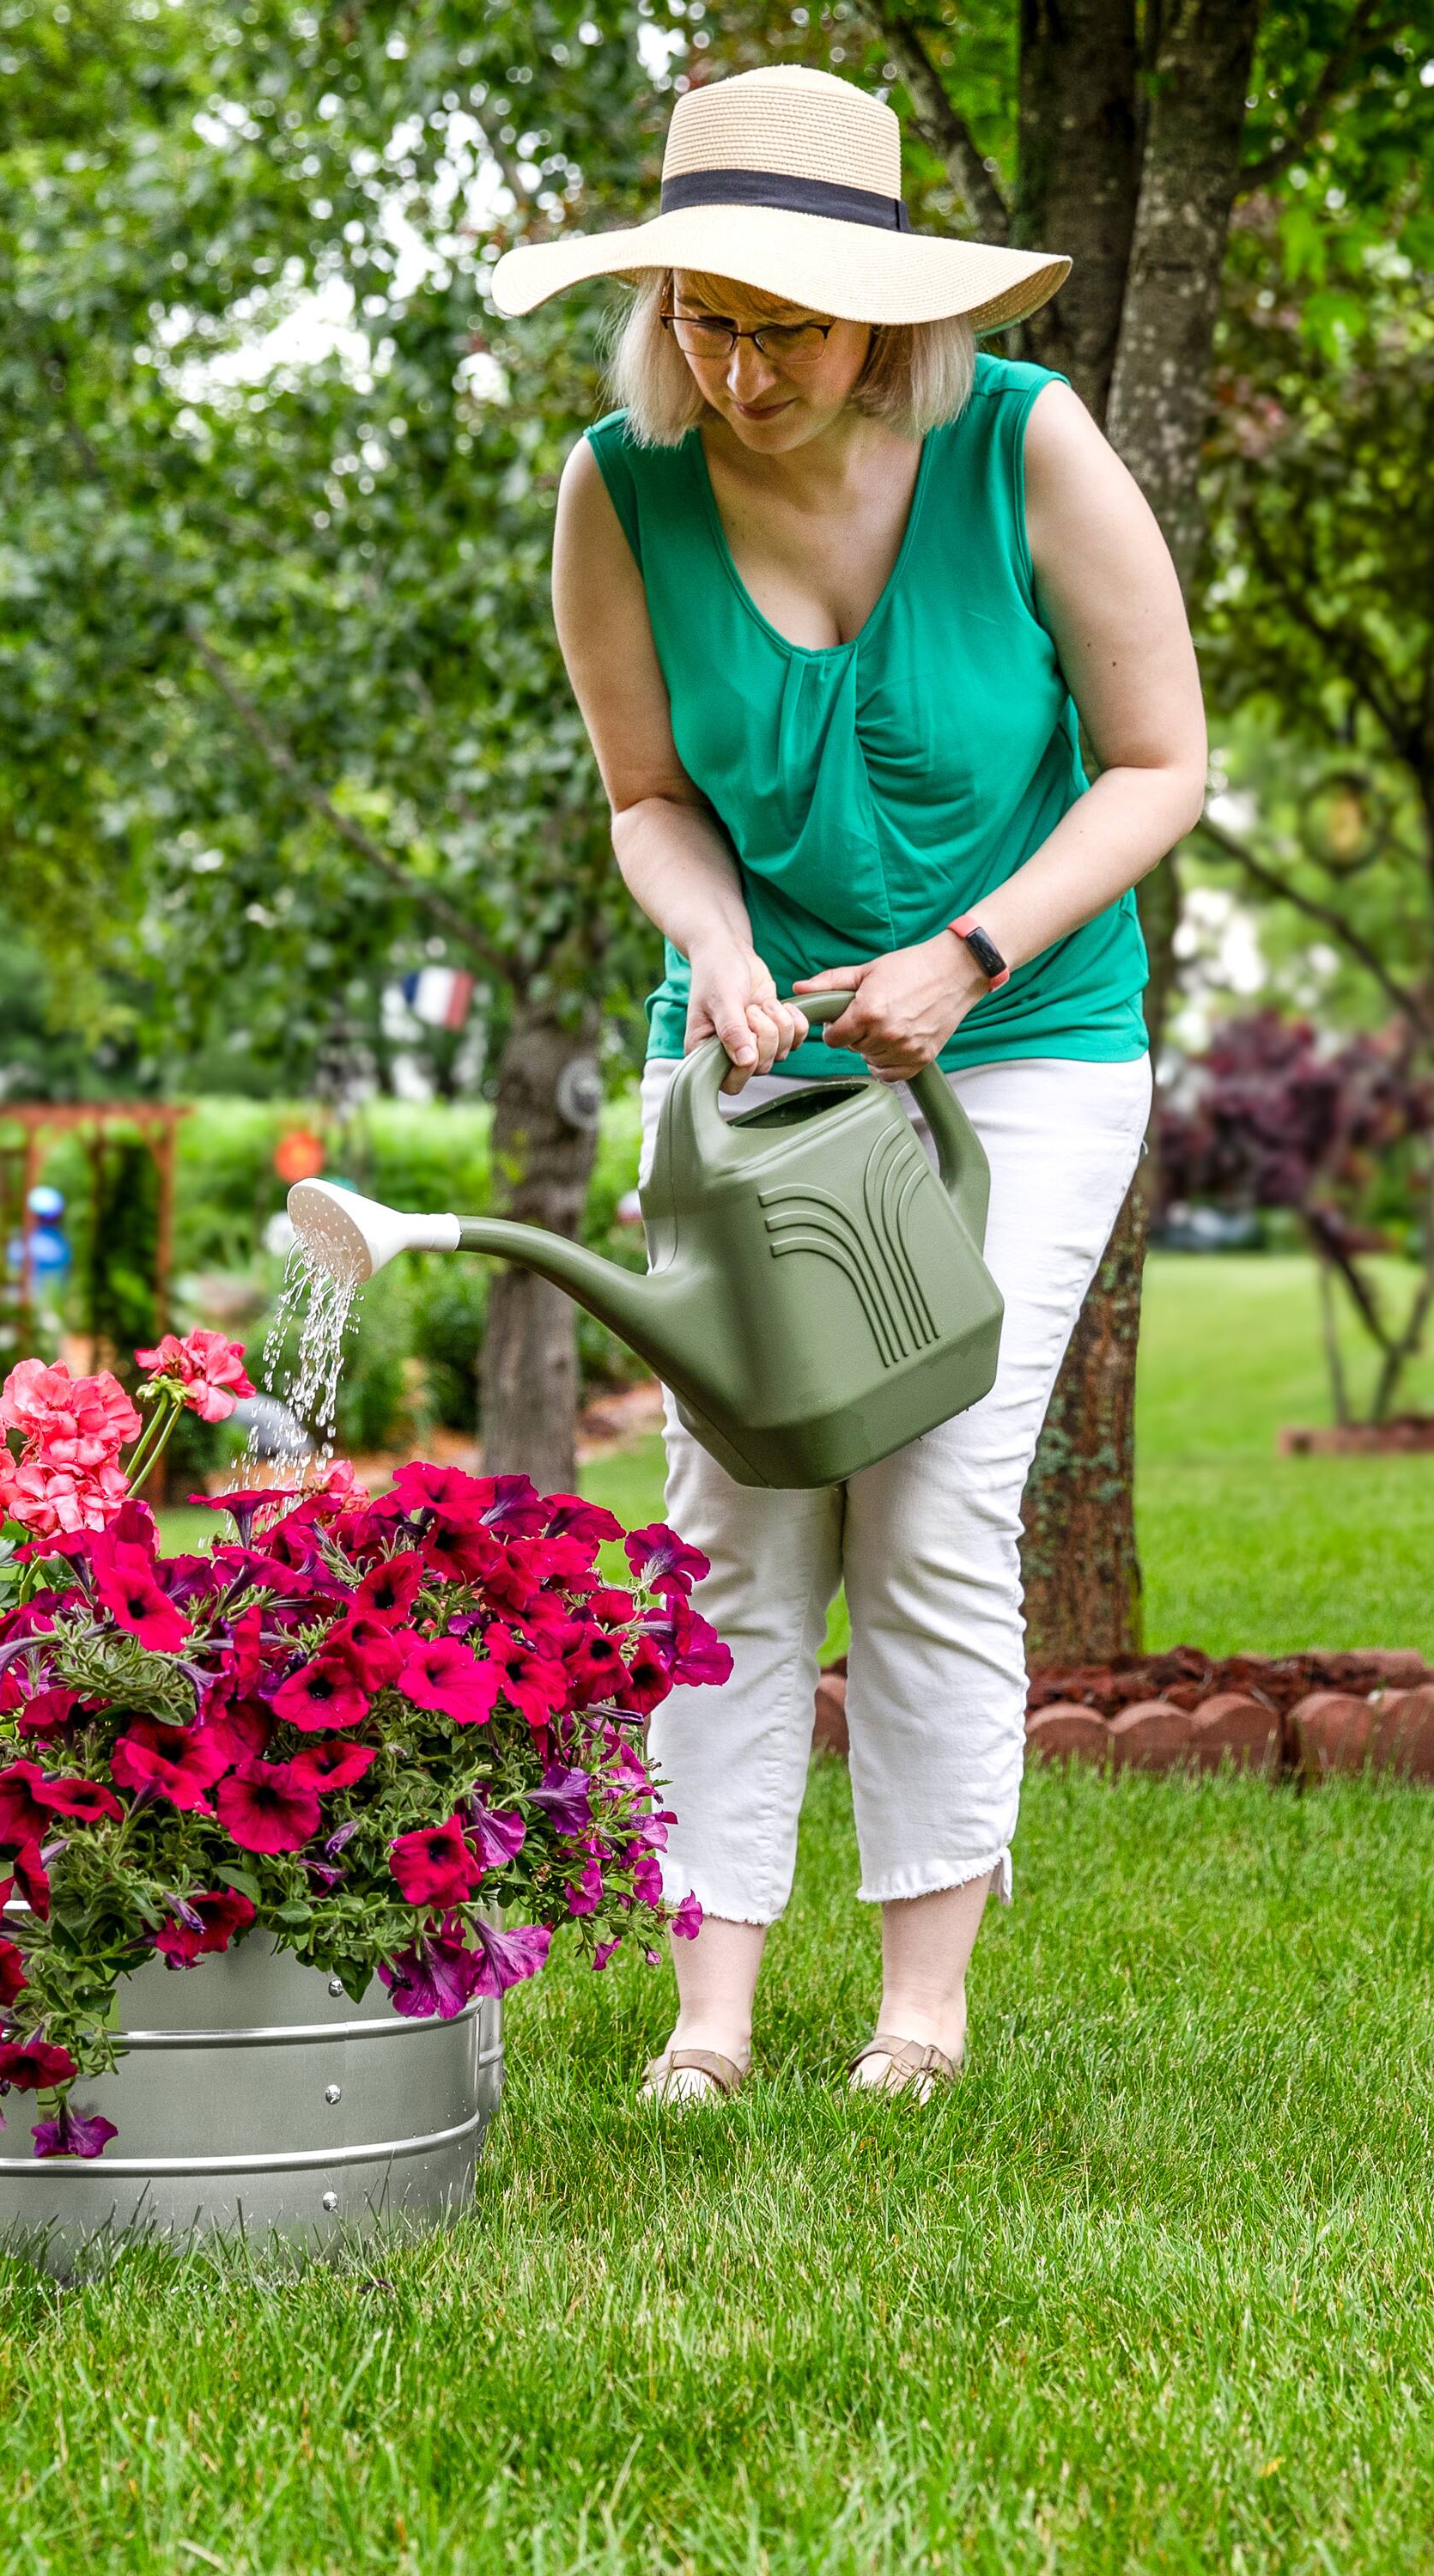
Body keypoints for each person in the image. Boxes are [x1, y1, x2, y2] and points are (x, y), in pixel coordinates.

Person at [495, 65, 1206, 2100]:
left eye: (783, 326)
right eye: (702, 320)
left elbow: (1164, 766)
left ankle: (921, 2013)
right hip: (748, 1076)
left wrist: (972, 953)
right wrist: (714, 948)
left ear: (886, 313)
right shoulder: (615, 490)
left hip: (1030, 1051)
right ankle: (708, 2019)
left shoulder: (1025, 449)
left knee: (934, 1507)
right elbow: (650, 799)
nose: (737, 369)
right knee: (737, 1517)